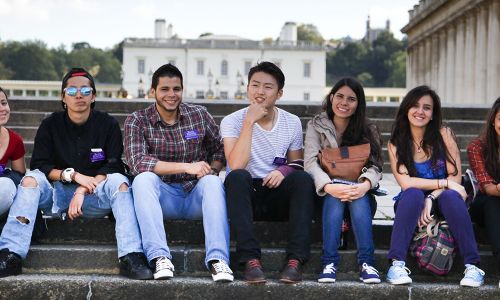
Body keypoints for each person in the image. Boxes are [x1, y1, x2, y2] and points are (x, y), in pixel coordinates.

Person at [0, 68, 152, 279]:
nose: (78, 95)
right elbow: (41, 165)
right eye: (71, 91)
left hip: (96, 195)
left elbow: (114, 164)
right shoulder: (50, 124)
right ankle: (11, 254)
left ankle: (131, 255)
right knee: (30, 179)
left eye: (84, 90)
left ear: (94, 95)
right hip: (57, 195)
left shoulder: (107, 124)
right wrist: (72, 176)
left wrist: (82, 189)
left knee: (120, 181)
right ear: (63, 97)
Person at [124, 64, 233, 282]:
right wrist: (187, 166)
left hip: (195, 195)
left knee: (213, 182)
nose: (171, 95)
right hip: (162, 198)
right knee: (143, 180)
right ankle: (159, 257)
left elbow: (219, 149)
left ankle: (218, 261)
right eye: (165, 89)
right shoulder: (137, 120)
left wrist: (211, 169)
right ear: (153, 91)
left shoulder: (198, 115)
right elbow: (138, 162)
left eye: (176, 89)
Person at [221, 61, 315, 284]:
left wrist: (283, 171)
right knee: (236, 177)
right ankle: (250, 260)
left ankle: (295, 260)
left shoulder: (290, 122)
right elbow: (235, 165)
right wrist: (249, 122)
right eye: (255, 85)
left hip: (276, 193)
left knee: (302, 180)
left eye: (267, 87)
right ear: (247, 88)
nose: (260, 92)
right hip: (245, 196)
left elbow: (298, 163)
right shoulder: (232, 121)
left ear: (279, 93)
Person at [386, 85, 484, 287]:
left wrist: (431, 198)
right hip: (412, 201)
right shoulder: (396, 142)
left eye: (426, 107)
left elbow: (455, 181)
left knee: (449, 196)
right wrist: (440, 184)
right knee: (412, 194)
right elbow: (405, 182)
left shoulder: (444, 133)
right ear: (406, 109)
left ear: (433, 114)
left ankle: (473, 266)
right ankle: (396, 264)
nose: (420, 111)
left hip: (444, 198)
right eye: (415, 106)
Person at [304, 78, 383, 284]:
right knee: (334, 197)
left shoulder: (368, 129)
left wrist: (365, 185)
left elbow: (376, 167)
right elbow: (310, 163)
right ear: (331, 97)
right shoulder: (316, 125)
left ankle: (367, 263)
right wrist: (329, 186)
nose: (344, 102)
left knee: (357, 197)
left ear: (358, 104)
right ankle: (329, 263)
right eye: (339, 96)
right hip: (326, 193)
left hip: (360, 192)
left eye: (351, 99)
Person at [467, 97, 500, 288]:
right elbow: (487, 187)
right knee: (493, 202)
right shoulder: (477, 147)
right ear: (493, 121)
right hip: (484, 204)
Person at [0, 87, 26, 218]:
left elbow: (19, 176)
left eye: (4, 103)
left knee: (7, 186)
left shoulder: (15, 140)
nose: (2, 109)